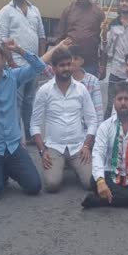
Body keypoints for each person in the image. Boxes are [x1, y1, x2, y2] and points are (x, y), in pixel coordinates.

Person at [0, 39, 65, 201]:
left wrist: (20, 50)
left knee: (34, 186)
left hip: (13, 146)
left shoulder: (13, 77)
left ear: (3, 60)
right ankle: (0, 171)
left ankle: (6, 168)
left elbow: (39, 67)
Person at [31, 47, 97, 193]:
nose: (66, 68)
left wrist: (86, 145)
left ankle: (73, 166)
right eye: (62, 65)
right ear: (53, 68)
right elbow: (34, 125)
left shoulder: (81, 89)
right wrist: (43, 150)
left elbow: (92, 121)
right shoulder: (44, 91)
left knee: (90, 183)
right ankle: (61, 165)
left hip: (78, 146)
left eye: (68, 64)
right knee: (52, 185)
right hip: (54, 147)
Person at [82, 81, 128, 209]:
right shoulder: (105, 127)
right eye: (119, 99)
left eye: (127, 99)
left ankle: (101, 201)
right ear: (114, 101)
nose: (123, 103)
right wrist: (100, 182)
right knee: (94, 181)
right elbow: (98, 155)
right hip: (112, 175)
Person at [0, 0, 46, 144]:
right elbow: (2, 41)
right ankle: (15, 137)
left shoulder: (35, 10)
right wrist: (11, 63)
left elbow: (42, 37)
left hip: (32, 66)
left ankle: (30, 135)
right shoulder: (5, 12)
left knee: (30, 102)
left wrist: (39, 61)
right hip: (16, 67)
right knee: (15, 103)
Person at [56, 0, 105, 76]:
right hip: (70, 64)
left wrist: (103, 64)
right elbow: (59, 36)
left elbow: (104, 43)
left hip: (91, 65)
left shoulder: (98, 13)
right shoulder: (68, 11)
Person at [70, 45, 103, 124]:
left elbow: (98, 110)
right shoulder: (63, 80)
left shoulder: (92, 81)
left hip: (88, 129)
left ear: (82, 61)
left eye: (75, 59)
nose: (72, 61)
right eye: (69, 58)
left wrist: (98, 133)